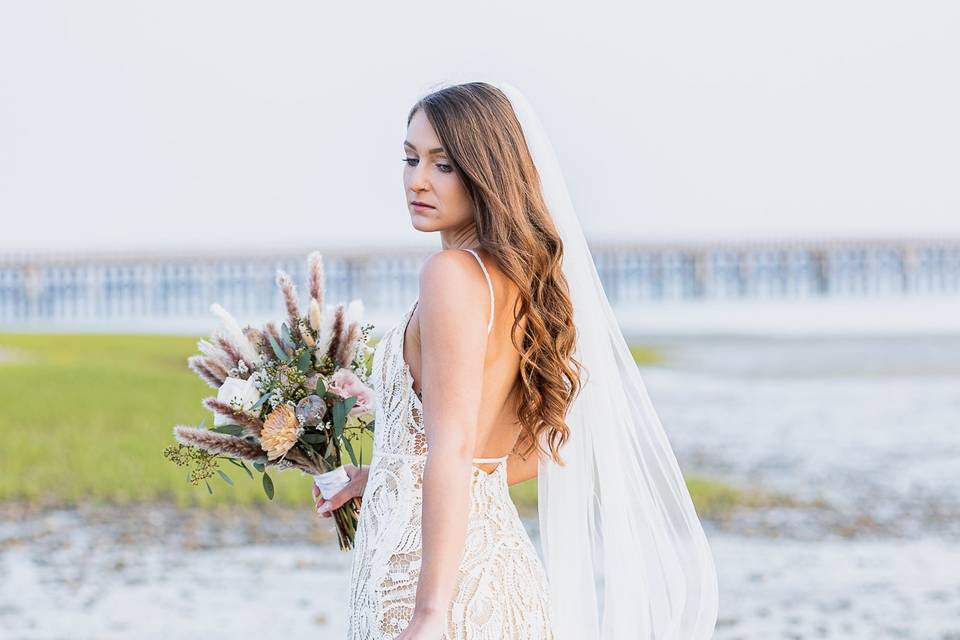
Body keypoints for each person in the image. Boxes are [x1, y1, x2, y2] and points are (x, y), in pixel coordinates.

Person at [313, 81, 720, 640]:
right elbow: (521, 453)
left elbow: (455, 449)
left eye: (444, 165)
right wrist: (378, 476)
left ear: (486, 171)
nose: (417, 180)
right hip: (495, 571)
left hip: (426, 586)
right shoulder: (520, 284)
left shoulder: (451, 277)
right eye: (409, 159)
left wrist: (430, 615)